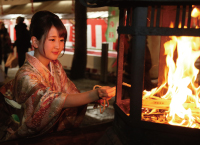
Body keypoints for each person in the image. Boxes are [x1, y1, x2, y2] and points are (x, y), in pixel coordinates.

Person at [0, 10, 116, 141]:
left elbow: (70, 92)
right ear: (35, 42)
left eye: (61, 40)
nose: (58, 46)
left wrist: (95, 96)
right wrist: (93, 94)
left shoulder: (55, 65)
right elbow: (51, 101)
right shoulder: (25, 75)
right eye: (52, 39)